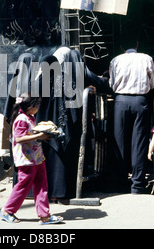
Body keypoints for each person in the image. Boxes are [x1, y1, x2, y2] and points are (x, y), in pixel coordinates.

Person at [36, 47, 110, 201]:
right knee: (62, 159)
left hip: (43, 126)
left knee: (48, 158)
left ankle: (46, 194)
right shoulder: (67, 79)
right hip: (64, 126)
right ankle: (61, 192)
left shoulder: (41, 79)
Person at [0, 94, 63, 225]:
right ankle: (7, 210)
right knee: (23, 185)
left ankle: (44, 215)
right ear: (31, 106)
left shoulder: (30, 117)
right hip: (26, 159)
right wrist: (39, 135)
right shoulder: (21, 119)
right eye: (37, 105)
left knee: (41, 186)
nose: (38, 108)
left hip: (36, 157)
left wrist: (43, 136)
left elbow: (29, 135)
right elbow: (19, 138)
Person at [109, 31, 154, 194]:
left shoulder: (115, 60)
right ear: (137, 44)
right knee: (139, 143)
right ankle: (137, 184)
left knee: (119, 141)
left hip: (121, 101)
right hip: (140, 101)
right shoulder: (146, 58)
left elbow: (112, 83)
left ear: (122, 46)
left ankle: (120, 182)